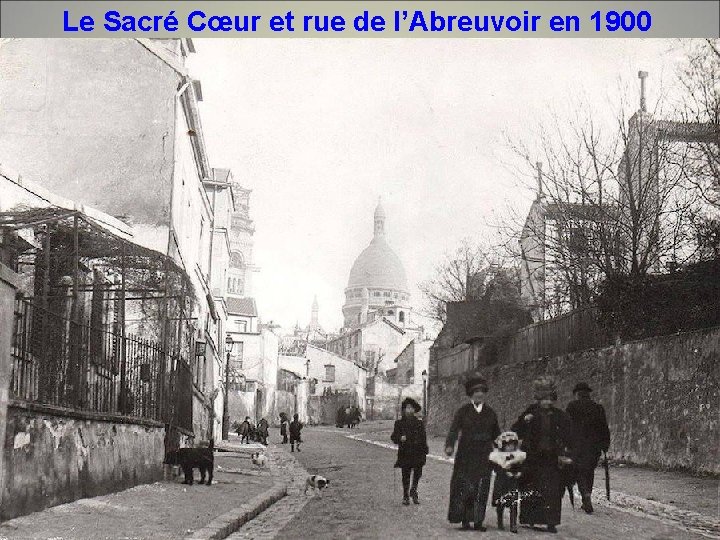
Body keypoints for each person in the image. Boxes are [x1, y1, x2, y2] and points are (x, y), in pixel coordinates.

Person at [512, 376, 575, 534]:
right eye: (544, 399)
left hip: (552, 459)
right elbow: (515, 429)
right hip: (533, 458)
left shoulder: (560, 415)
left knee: (552, 491)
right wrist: (524, 422)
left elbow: (569, 434)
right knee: (531, 487)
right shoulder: (530, 412)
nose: (547, 402)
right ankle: (530, 518)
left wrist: (567, 451)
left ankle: (551, 522)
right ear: (538, 399)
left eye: (549, 399)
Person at [445, 374, 501, 531]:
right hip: (465, 455)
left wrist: (504, 448)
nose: (479, 394)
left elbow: (496, 434)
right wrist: (450, 445)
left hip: (484, 455)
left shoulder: (490, 413)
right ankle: (465, 520)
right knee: (465, 487)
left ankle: (478, 521)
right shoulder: (463, 411)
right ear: (471, 393)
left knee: (481, 488)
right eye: (476, 391)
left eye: (482, 391)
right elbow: (454, 430)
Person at [566, 382, 610, 514]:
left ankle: (585, 495)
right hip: (593, 448)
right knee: (589, 471)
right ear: (588, 394)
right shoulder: (598, 408)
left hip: (576, 447)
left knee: (579, 472)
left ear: (577, 394)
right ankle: (587, 495)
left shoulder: (572, 407)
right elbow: (604, 429)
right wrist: (605, 446)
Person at [390, 397, 429, 506]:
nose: (409, 410)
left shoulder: (419, 423)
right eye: (407, 408)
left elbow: (423, 437)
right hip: (405, 451)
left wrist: (425, 449)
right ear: (404, 410)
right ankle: (406, 496)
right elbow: (393, 437)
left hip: (418, 451)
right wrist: (400, 438)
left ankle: (414, 489)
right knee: (405, 474)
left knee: (418, 472)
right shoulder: (399, 423)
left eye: (412, 408)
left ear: (415, 410)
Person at [489, 431, 526, 533]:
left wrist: (519, 472)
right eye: (508, 445)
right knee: (501, 503)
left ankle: (513, 524)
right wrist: (504, 472)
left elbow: (521, 466)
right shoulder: (498, 457)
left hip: (512, 483)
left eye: (512, 445)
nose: (510, 447)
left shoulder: (518, 456)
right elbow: (496, 468)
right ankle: (500, 520)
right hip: (502, 483)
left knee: (513, 503)